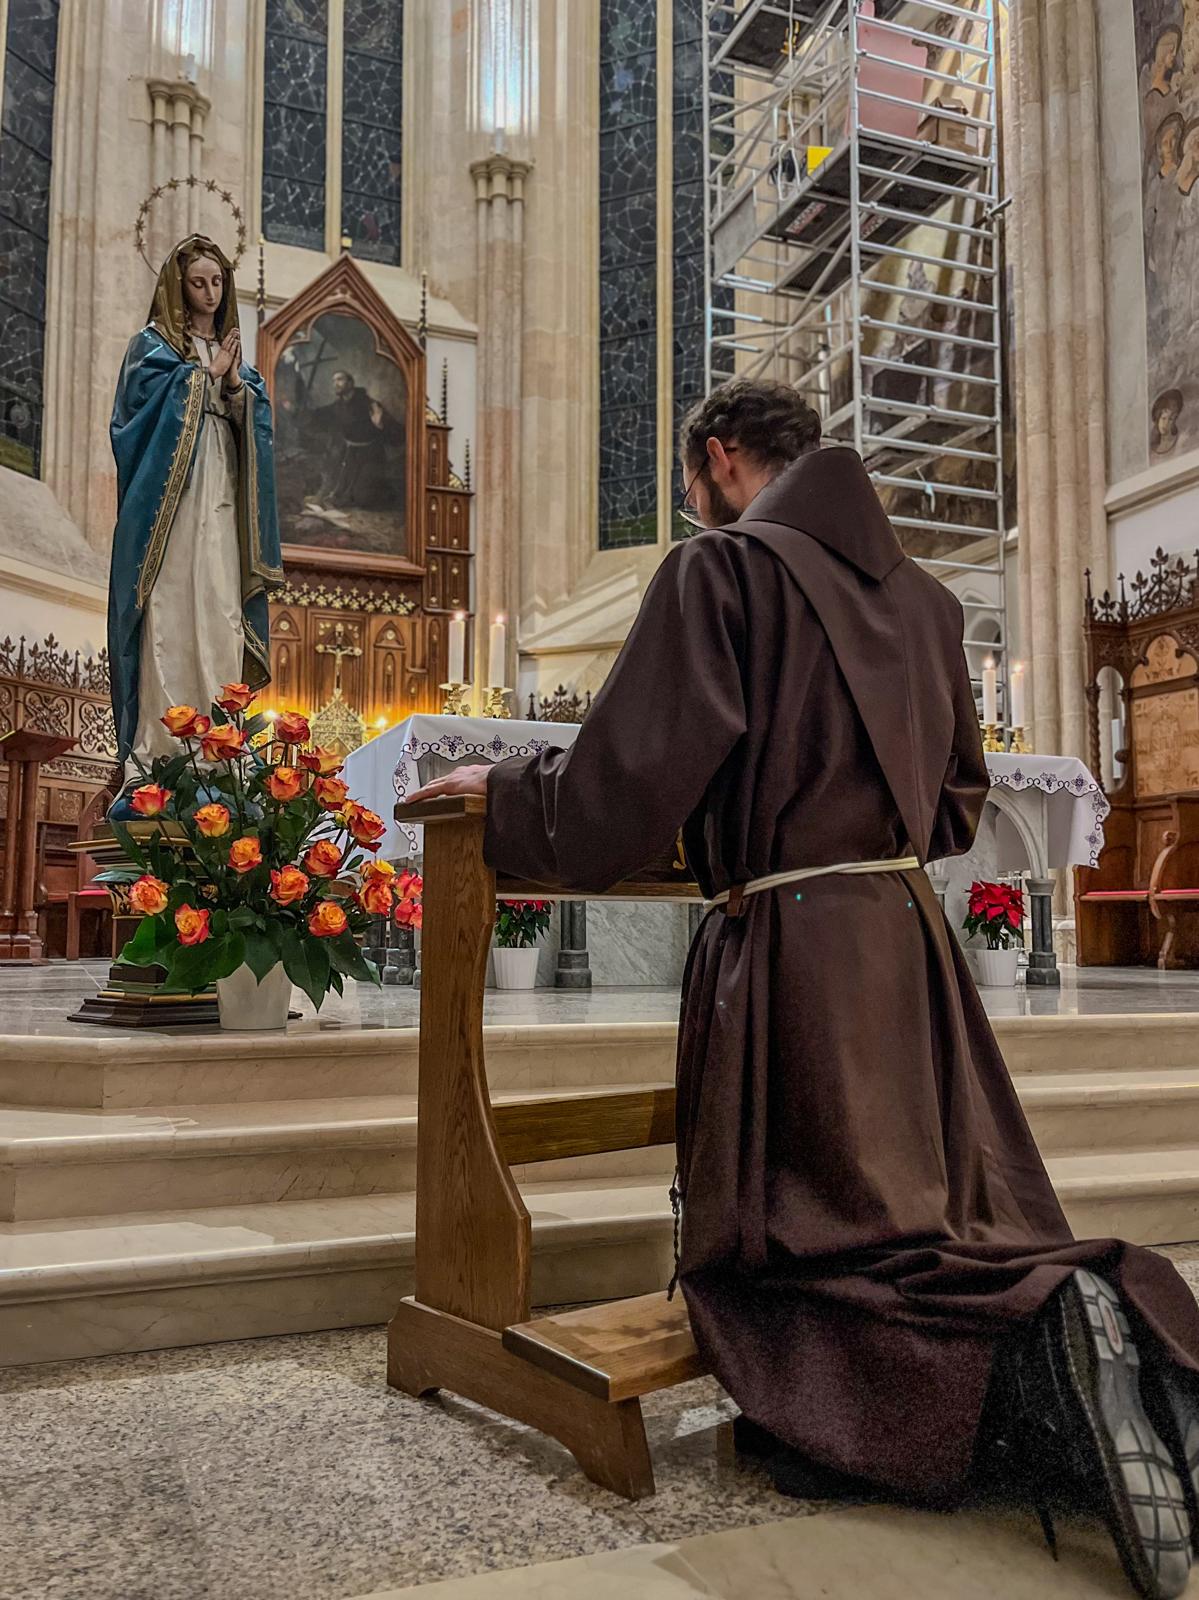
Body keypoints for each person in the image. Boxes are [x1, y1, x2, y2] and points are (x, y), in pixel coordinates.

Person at [411, 379, 1199, 1599]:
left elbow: (625, 789)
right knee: (922, 1214)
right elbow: (955, 804)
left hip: (789, 948)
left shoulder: (720, 571)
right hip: (908, 951)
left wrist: (505, 794)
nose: (694, 507)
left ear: (719, 456)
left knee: (800, 1240)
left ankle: (1035, 1340)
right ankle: (1083, 1313)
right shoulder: (928, 603)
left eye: (691, 485)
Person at [108, 235, 282, 776]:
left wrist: (233, 385)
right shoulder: (152, 349)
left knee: (219, 601)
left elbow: (258, 426)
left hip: (222, 493)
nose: (210, 293)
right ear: (178, 287)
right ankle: (163, 749)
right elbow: (131, 422)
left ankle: (220, 747)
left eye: (217, 282)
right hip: (172, 502)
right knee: (171, 601)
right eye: (198, 283)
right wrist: (201, 376)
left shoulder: (239, 363)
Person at [309, 369, 404, 512]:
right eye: (334, 381)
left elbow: (399, 436)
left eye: (340, 379)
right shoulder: (338, 406)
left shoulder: (371, 405)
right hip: (349, 454)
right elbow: (318, 416)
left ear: (350, 383)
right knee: (334, 485)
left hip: (371, 455)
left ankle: (387, 489)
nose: (336, 384)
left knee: (364, 498)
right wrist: (295, 409)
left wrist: (380, 425)